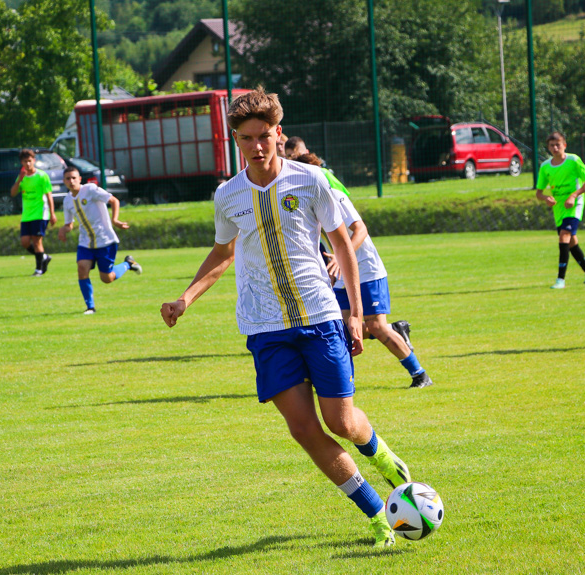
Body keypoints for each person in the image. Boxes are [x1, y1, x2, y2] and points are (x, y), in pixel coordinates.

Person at [160, 88, 410, 548]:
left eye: (264, 136)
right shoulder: (227, 195)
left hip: (319, 316)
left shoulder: (310, 181)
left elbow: (344, 249)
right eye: (246, 138)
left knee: (341, 421)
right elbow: (222, 252)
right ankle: (377, 514)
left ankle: (380, 453)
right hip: (264, 327)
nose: (257, 146)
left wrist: (355, 314)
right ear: (235, 140)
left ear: (278, 133)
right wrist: (185, 298)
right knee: (303, 429)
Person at [296, 153, 434, 389]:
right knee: (339, 328)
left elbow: (360, 230)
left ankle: (420, 375)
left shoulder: (334, 195)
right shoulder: (303, 199)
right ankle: (340, 382)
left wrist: (340, 259)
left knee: (377, 327)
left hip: (367, 269)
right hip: (342, 271)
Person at [57, 166, 142, 314]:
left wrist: (115, 220)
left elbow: (114, 200)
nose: (71, 181)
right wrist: (63, 229)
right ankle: (90, 307)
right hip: (85, 242)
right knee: (81, 268)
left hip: (105, 240)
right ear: (64, 181)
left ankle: (128, 264)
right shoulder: (67, 201)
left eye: (74, 178)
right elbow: (69, 224)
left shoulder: (90, 190)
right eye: (68, 179)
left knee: (107, 278)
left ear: (79, 179)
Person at [535, 132, 585, 288]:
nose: (555, 148)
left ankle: (560, 280)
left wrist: (574, 195)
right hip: (559, 209)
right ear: (548, 147)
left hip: (574, 205)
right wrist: (546, 198)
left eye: (558, 144)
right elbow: (539, 193)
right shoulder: (545, 166)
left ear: (565, 145)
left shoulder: (573, 160)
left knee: (564, 236)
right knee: (571, 242)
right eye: (551, 145)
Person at [10, 149, 56, 276]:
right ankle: (44, 257)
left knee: (37, 241)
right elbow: (13, 193)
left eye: (30, 161)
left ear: (34, 161)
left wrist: (52, 213)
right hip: (27, 215)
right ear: (22, 163)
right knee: (25, 242)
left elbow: (49, 195)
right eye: (25, 162)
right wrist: (19, 180)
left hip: (40, 213)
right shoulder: (22, 178)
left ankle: (39, 269)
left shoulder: (42, 176)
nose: (28, 164)